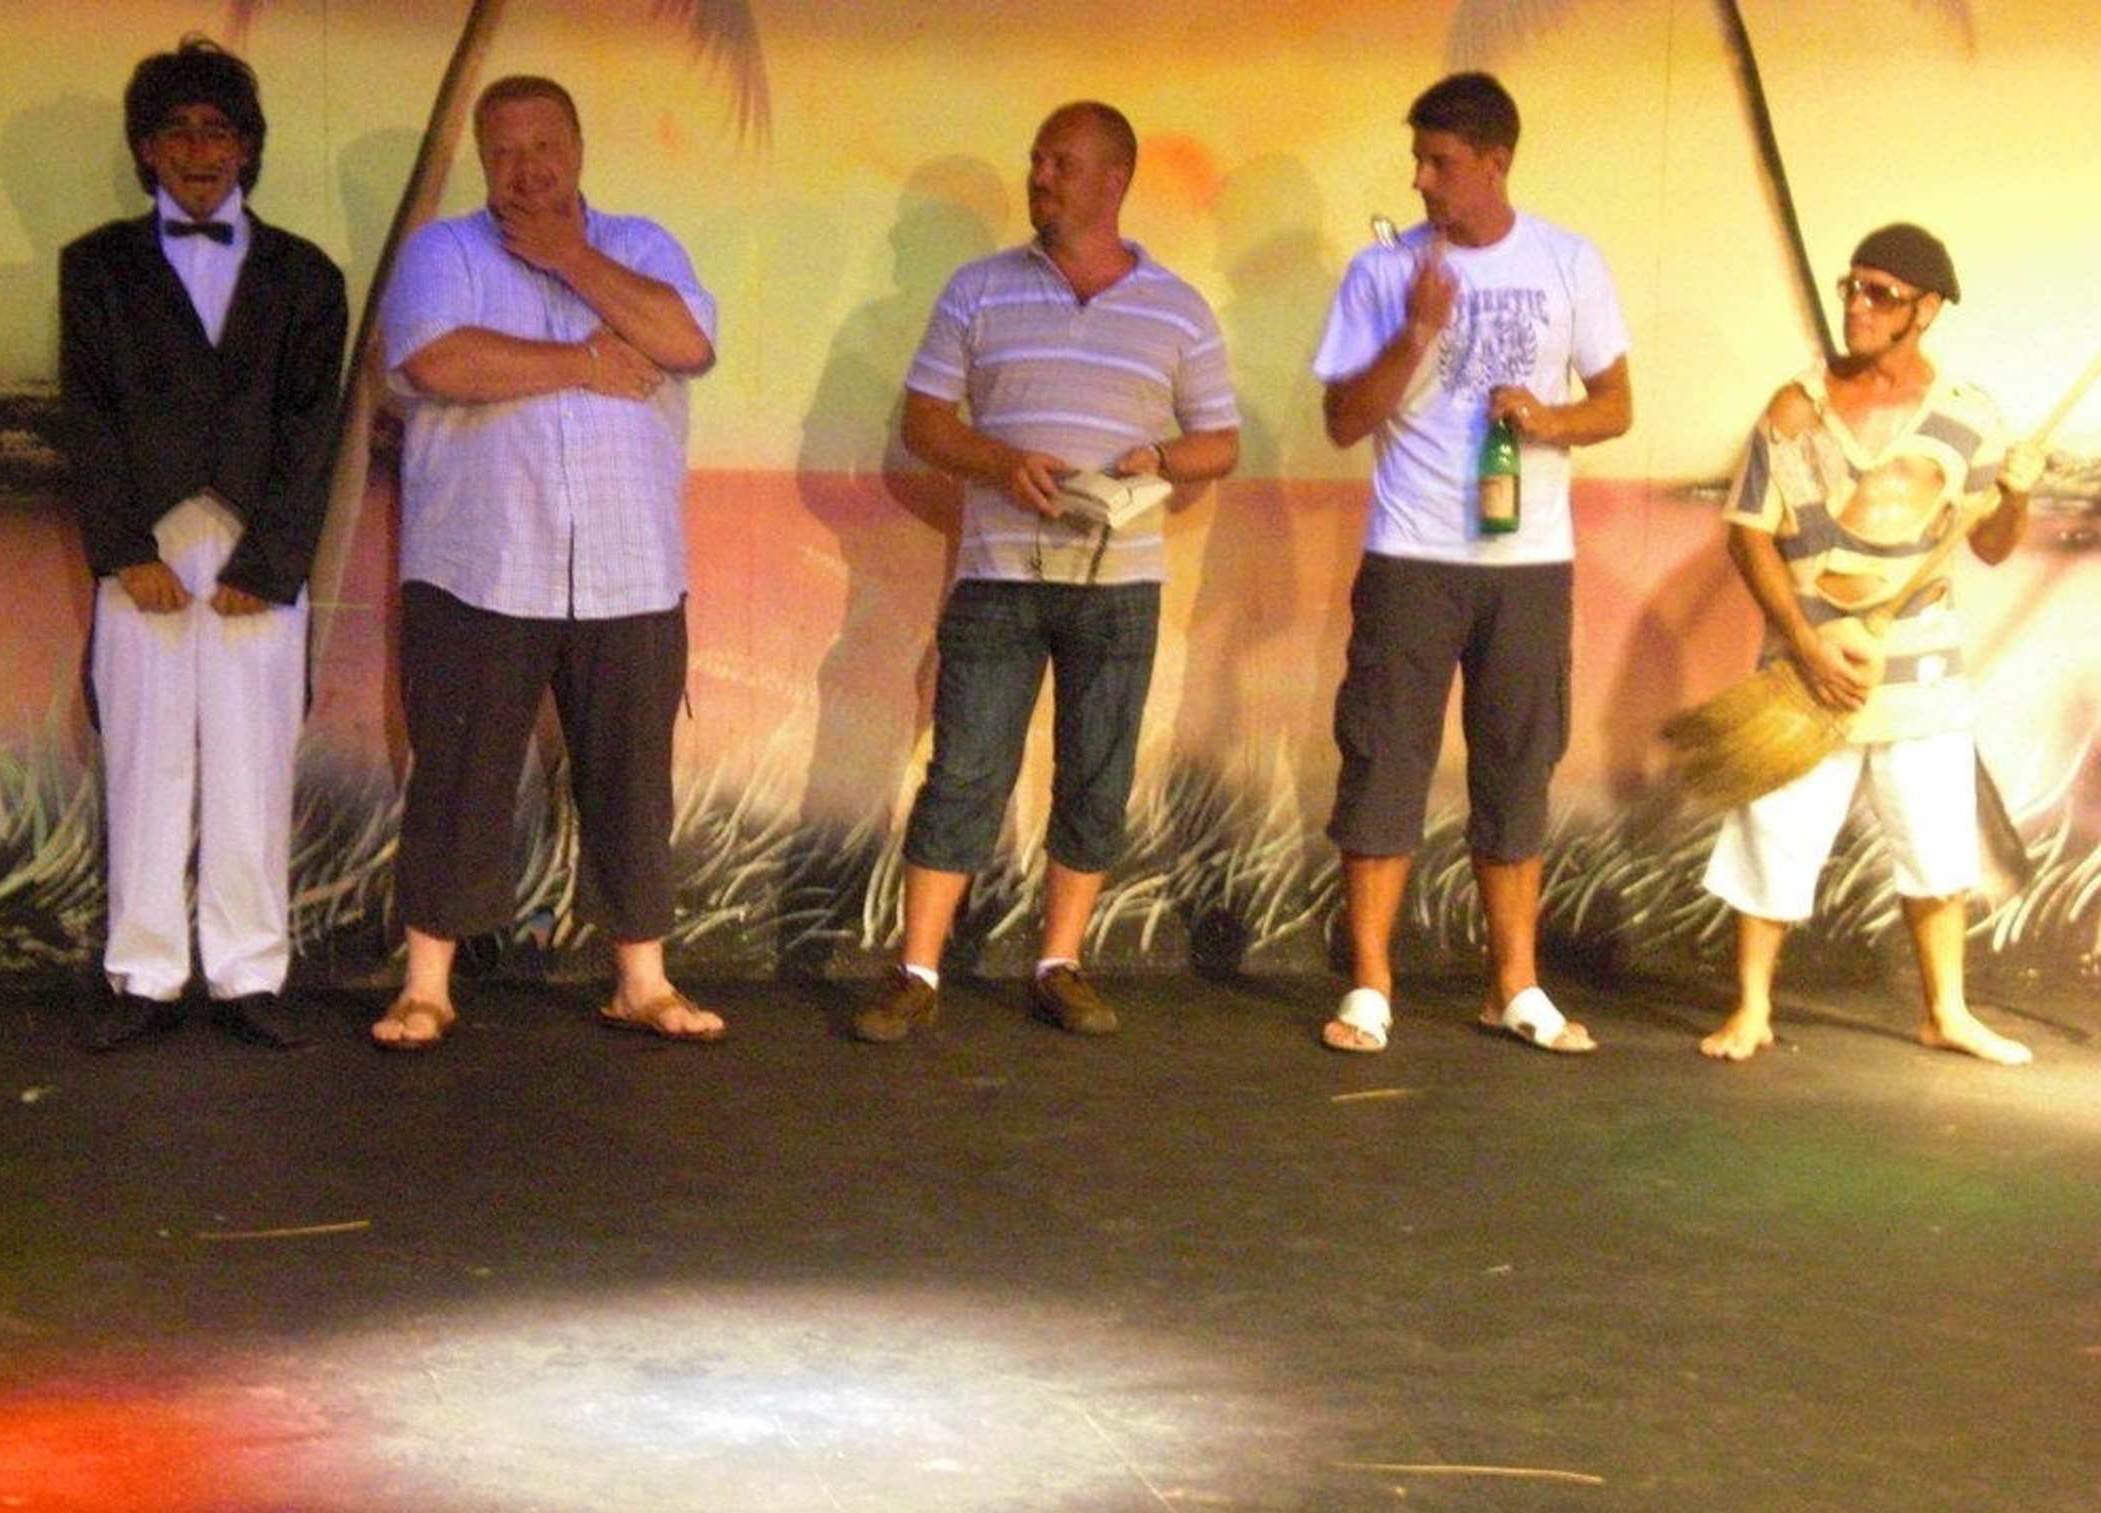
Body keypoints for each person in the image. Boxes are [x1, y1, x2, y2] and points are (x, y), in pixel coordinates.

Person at [850, 101, 1240, 1042]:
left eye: (1062, 163)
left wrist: (1160, 459)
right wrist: (999, 462)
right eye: (1036, 160)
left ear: (1115, 179)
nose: (1040, 177)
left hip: (1120, 585)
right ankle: (916, 972)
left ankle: (1059, 964)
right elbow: (923, 423)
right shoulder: (977, 288)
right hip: (997, 578)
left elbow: (1219, 443)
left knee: (1096, 776)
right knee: (964, 771)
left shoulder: (1179, 307)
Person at [370, 74, 723, 1050]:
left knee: (631, 778)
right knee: (458, 776)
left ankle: (642, 982)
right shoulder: (444, 252)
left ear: (578, 149)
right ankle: (426, 988)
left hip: (631, 566)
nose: (527, 170)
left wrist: (571, 258)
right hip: (479, 565)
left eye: (544, 148)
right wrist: (586, 362)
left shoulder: (643, 246)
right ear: (484, 163)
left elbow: (686, 341)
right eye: (505, 153)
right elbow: (436, 360)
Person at [1312, 72, 1632, 1056]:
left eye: (1440, 161)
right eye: (1417, 159)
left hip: (1530, 561)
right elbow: (1342, 421)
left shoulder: (1569, 261)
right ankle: (1370, 986)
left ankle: (1514, 986)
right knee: (1384, 760)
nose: (1420, 179)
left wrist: (1548, 419)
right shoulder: (1382, 271)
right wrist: (1415, 331)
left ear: (1496, 163)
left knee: (1518, 765)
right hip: (1412, 553)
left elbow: (1616, 405)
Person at [59, 36, 347, 1052]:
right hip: (143, 548)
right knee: (145, 763)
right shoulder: (96, 266)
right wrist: (122, 549)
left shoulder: (307, 275)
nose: (196, 149)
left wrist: (270, 564)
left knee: (251, 766)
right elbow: (89, 418)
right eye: (175, 131)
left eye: (217, 130)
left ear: (247, 147)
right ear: (145, 148)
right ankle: (142, 972)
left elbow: (313, 433)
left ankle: (248, 972)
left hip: (255, 553)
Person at [1697, 224, 2041, 1066]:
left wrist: (2016, 499)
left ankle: (1946, 1011)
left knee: (1936, 842)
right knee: (1774, 833)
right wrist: (1808, 641)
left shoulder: (1966, 418)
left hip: (1920, 670)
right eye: (1852, 286)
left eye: (1880, 293)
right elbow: (1750, 534)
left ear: (1926, 309)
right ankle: (1751, 1008)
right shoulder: (1798, 409)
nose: (1857, 304)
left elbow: (1993, 547)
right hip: (1807, 667)